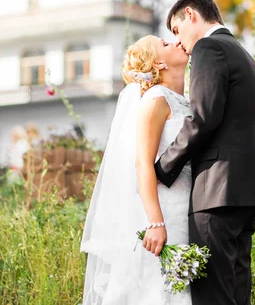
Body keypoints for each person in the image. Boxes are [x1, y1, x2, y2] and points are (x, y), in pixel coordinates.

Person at [154, 0, 255, 305]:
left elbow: (202, 118)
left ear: (191, 14)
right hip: (245, 193)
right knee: (236, 295)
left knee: (213, 297)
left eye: (177, 31)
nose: (180, 43)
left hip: (216, 192)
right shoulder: (243, 54)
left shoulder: (209, 47)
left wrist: (162, 168)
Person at [81, 34, 193, 304]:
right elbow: (143, 162)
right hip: (165, 211)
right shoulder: (156, 99)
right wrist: (155, 222)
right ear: (159, 64)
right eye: (165, 44)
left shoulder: (187, 99)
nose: (176, 42)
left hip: (188, 207)